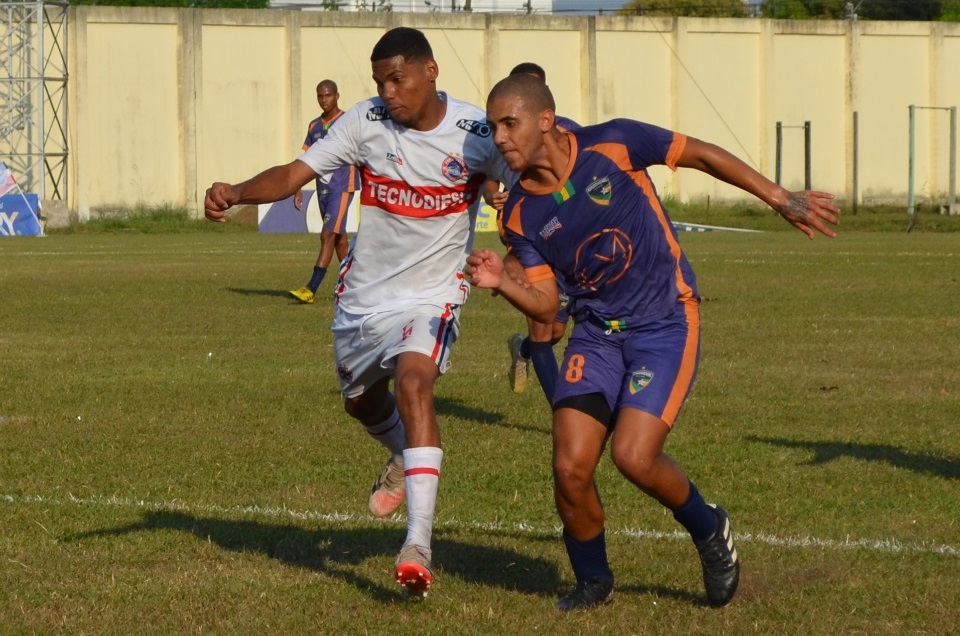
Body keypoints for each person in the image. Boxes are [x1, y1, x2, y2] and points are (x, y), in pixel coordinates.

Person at [467, 74, 839, 611]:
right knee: (570, 466)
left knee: (634, 456)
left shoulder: (615, 142)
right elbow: (548, 308)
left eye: (509, 124)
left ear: (545, 119)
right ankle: (593, 580)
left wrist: (778, 197)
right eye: (493, 127)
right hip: (595, 336)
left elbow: (701, 156)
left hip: (665, 324)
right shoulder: (519, 214)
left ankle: (709, 529)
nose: (499, 138)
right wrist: (504, 283)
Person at [205, 27, 515, 598]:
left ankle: (417, 544)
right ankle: (402, 452)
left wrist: (524, 240)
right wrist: (237, 190)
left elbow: (526, 184)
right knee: (359, 402)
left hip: (434, 294)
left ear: (431, 72)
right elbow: (295, 173)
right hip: (364, 298)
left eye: (398, 79)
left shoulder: (475, 132)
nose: (388, 92)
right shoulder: (365, 121)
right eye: (380, 82)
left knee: (415, 384)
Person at [494, 63, 579, 403]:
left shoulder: (569, 133)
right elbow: (488, 180)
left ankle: (521, 349)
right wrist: (493, 196)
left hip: (567, 239)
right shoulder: (499, 135)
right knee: (543, 332)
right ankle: (564, 413)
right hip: (528, 238)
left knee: (556, 330)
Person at [289, 80, 360, 304]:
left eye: (327, 95)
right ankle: (354, 286)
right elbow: (306, 160)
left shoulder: (348, 121)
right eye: (320, 96)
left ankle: (311, 288)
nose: (323, 100)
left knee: (327, 235)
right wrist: (297, 186)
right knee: (339, 239)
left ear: (337, 96)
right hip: (323, 188)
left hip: (342, 186)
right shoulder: (314, 126)